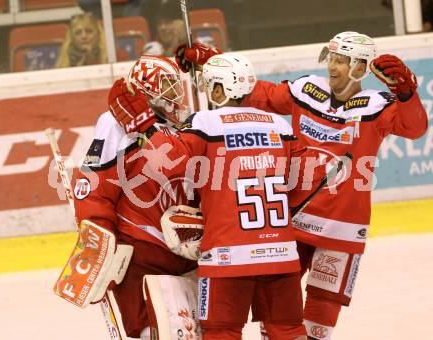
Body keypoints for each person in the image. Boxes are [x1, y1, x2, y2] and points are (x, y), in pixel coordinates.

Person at [173, 32, 428, 339]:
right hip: (293, 221)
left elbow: (415, 128)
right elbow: (253, 93)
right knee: (279, 314)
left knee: (320, 319)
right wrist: (212, 61)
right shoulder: (307, 91)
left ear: (360, 69)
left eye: (342, 61)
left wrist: (406, 93)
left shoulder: (378, 106)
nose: (332, 66)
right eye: (331, 58)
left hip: (342, 229)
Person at [131, 53, 309, 340]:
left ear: (218, 90)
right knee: (288, 330)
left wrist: (143, 126)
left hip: (226, 257)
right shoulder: (281, 126)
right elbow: (302, 181)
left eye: (208, 85)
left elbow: (167, 163)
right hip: (281, 253)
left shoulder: (204, 124)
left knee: (221, 332)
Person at [55, 55, 198, 339]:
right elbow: (95, 185)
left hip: (185, 253)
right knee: (149, 330)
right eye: (168, 84)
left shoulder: (179, 127)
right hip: (141, 250)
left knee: (191, 330)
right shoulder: (114, 122)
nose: (175, 93)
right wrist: (98, 240)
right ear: (147, 86)